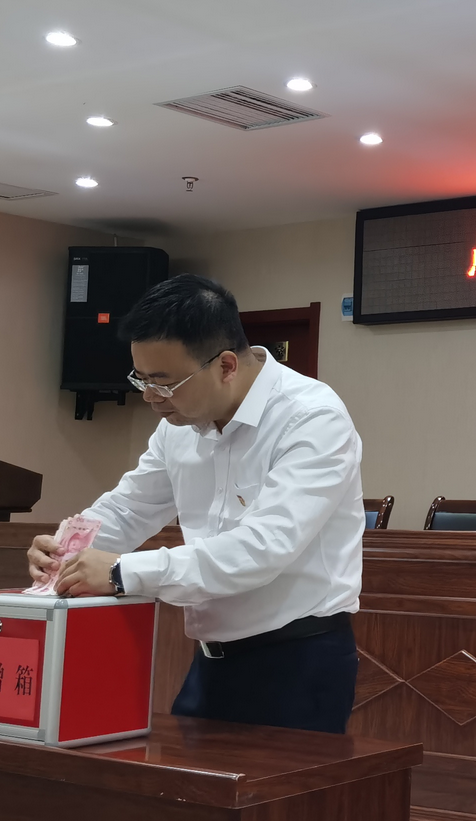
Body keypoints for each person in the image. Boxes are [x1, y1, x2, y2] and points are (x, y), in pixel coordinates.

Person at [25, 274, 364, 734]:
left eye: (164, 381)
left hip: (299, 659)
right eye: (141, 378)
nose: (149, 397)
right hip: (211, 658)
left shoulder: (311, 418)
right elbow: (129, 507)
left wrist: (122, 572)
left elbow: (262, 548)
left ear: (226, 365)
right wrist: (66, 551)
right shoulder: (179, 426)